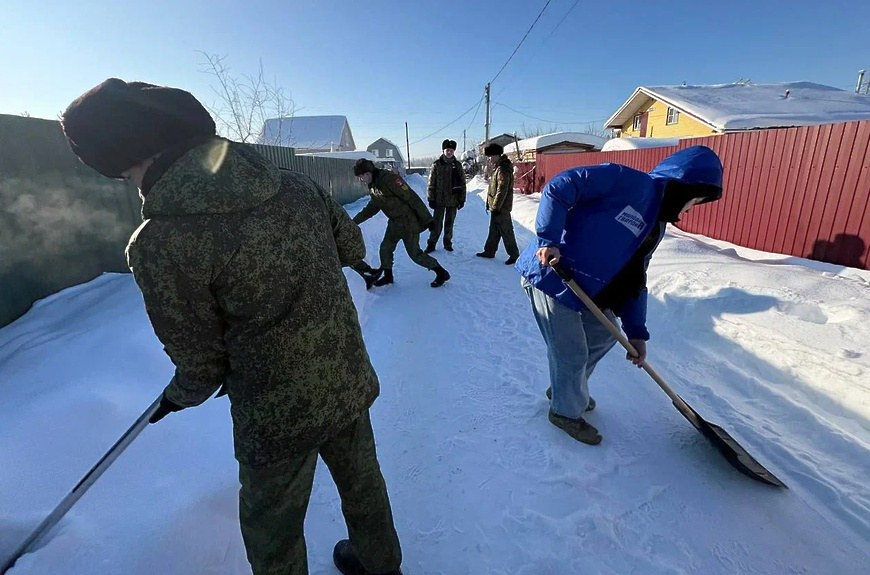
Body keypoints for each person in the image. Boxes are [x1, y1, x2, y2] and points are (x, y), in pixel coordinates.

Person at [61, 78, 403, 575]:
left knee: (273, 531)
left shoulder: (160, 241)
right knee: (364, 485)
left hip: (275, 414)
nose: (127, 182)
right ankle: (383, 565)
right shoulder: (297, 186)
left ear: (128, 159)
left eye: (120, 172)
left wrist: (181, 393)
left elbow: (201, 363)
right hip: (344, 374)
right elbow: (352, 246)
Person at [516, 146, 724, 445]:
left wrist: (636, 332)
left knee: (603, 334)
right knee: (571, 353)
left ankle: (565, 388)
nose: (691, 208)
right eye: (695, 200)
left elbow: (634, 278)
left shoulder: (656, 226)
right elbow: (560, 187)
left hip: (588, 290)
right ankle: (564, 412)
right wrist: (549, 239)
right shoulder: (626, 181)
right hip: (551, 275)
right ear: (685, 186)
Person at [352, 158, 451, 288]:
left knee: (415, 255)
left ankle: (441, 272)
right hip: (394, 223)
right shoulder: (373, 185)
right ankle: (388, 277)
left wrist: (428, 220)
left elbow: (411, 197)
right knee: (385, 249)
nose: (361, 180)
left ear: (367, 174)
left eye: (360, 177)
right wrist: (353, 222)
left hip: (408, 222)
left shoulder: (388, 179)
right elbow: (372, 207)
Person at [476, 143, 519, 265]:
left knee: (506, 231)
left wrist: (496, 206)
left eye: (490, 156)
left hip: (501, 208)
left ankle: (514, 255)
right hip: (497, 207)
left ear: (496, 155)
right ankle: (489, 251)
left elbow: (502, 190)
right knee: (494, 230)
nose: (489, 159)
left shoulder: (502, 169)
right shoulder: (498, 167)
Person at [425, 139, 466, 253]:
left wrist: (462, 199)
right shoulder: (437, 165)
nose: (449, 153)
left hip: (453, 200)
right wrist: (431, 198)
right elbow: (431, 183)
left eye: (451, 151)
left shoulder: (457, 165)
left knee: (449, 223)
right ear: (443, 151)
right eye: (447, 150)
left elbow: (462, 183)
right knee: (437, 224)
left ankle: (447, 243)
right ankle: (431, 244)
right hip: (439, 200)